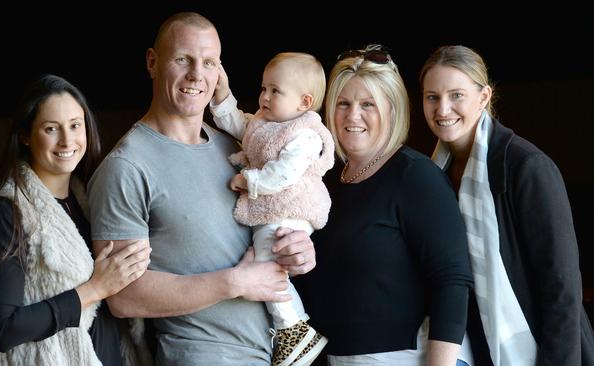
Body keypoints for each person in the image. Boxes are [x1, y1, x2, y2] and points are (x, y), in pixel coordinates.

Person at [87, 12, 317, 365]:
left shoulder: (234, 150)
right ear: (152, 62)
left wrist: (298, 249)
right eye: (183, 59)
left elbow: (272, 220)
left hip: (271, 355)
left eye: (209, 62)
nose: (197, 74)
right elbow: (124, 297)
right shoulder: (126, 167)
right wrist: (234, 283)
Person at [292, 44, 474, 366]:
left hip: (409, 358)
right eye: (343, 103)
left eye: (368, 104)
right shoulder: (322, 180)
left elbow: (452, 281)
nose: (353, 115)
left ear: (391, 109)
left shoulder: (416, 177)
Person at [419, 44, 594, 366]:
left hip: (539, 348)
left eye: (456, 95)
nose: (443, 109)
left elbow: (562, 286)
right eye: (432, 97)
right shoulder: (432, 174)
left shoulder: (526, 166)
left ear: (484, 96)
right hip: (474, 348)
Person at [0, 74, 151, 365]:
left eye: (75, 125)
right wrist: (96, 288)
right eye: (50, 128)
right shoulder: (8, 211)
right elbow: (4, 329)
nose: (67, 140)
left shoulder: (88, 203)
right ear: (25, 136)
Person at [210, 52, 333, 365]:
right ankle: (293, 326)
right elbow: (239, 124)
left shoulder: (305, 135)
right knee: (268, 261)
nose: (264, 96)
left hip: (291, 210)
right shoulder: (267, 123)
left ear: (304, 102)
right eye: (264, 88)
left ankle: (293, 328)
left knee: (267, 263)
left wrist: (246, 180)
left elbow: (282, 175)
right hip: (276, 209)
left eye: (275, 91)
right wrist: (223, 94)